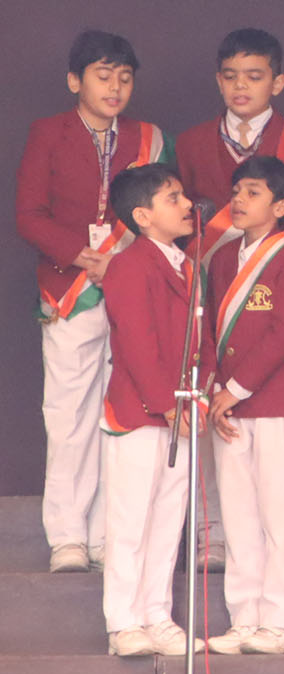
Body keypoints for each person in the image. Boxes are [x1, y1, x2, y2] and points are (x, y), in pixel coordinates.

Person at [15, 30, 170, 573]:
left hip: (134, 289)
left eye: (125, 78)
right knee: (68, 414)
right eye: (103, 76)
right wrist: (82, 255)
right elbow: (29, 215)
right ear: (74, 81)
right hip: (71, 289)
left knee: (124, 409)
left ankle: (110, 534)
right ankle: (68, 535)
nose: (115, 88)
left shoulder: (148, 138)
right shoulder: (49, 133)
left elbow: (165, 214)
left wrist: (124, 261)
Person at [202, 157, 284, 656]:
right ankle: (244, 617)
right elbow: (209, 330)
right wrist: (216, 391)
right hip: (227, 405)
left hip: (276, 401)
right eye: (235, 191)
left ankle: (282, 623)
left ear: (281, 205)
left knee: (279, 515)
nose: (238, 200)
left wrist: (237, 387)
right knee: (238, 515)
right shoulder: (223, 257)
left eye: (252, 192)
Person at [97, 163, 203, 656]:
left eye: (183, 195)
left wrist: (200, 396)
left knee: (167, 518)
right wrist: (166, 405)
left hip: (181, 410)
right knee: (131, 519)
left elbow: (200, 341)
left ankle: (157, 614)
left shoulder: (188, 265)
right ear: (142, 216)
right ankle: (124, 621)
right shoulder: (129, 265)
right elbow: (138, 343)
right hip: (140, 412)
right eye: (173, 198)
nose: (187, 205)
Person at [178, 27, 284, 248]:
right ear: (220, 82)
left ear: (277, 84)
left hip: (275, 264)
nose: (240, 85)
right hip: (206, 264)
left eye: (254, 77)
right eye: (230, 77)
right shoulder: (190, 143)